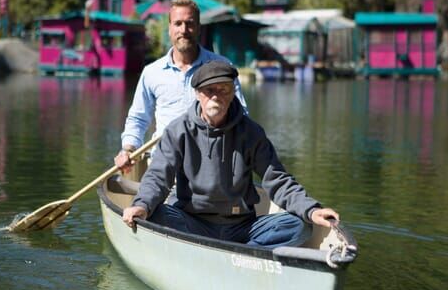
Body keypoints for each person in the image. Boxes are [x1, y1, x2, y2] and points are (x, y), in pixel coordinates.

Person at [123, 61, 339, 248]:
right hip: (192, 222)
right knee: (156, 214)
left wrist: (311, 209)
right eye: (209, 90)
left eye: (224, 89)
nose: (216, 96)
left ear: (233, 91)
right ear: (198, 94)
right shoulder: (177, 131)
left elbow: (278, 180)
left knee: (298, 225)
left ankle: (247, 255)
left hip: (242, 228)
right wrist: (142, 205)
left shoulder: (251, 132)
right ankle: (235, 254)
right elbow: (158, 177)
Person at [114, 0, 248, 173]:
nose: (184, 30)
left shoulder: (223, 68)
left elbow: (241, 116)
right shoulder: (152, 72)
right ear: (169, 29)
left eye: (190, 23)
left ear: (199, 28)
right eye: (178, 24)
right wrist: (128, 150)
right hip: (165, 166)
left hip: (211, 168)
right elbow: (138, 119)